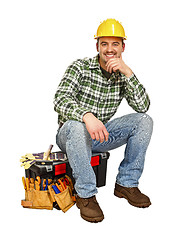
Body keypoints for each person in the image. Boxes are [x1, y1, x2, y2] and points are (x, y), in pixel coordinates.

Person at [54, 18, 153, 223]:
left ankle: (126, 184)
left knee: (144, 121)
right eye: (104, 43)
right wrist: (86, 116)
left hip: (100, 136)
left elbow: (142, 107)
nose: (109, 49)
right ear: (97, 46)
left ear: (123, 47)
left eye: (115, 44)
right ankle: (86, 195)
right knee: (76, 125)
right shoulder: (79, 67)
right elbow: (60, 99)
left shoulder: (122, 75)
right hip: (71, 134)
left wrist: (129, 73)